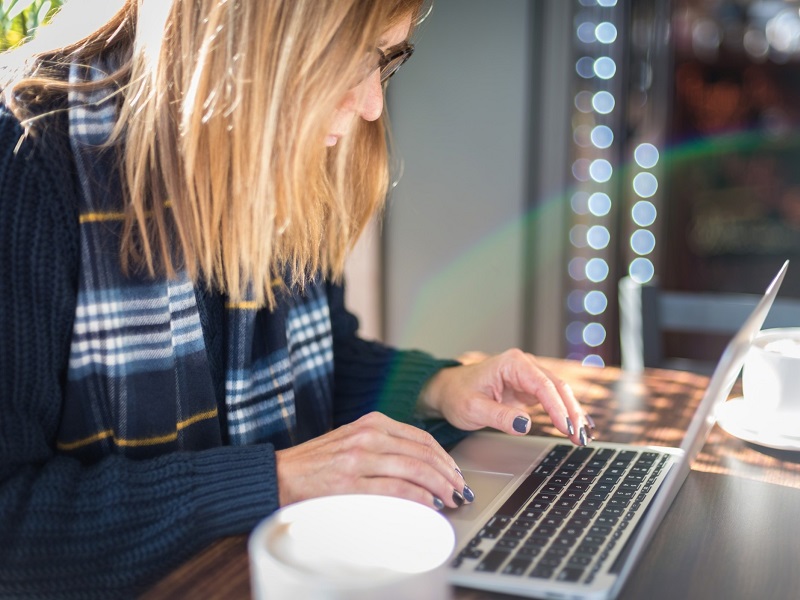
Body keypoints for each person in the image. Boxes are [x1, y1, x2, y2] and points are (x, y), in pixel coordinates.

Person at [0, 0, 593, 597]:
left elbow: (318, 363)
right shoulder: (29, 155)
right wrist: (277, 479)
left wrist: (439, 387)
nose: (373, 104)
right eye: (355, 58)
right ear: (254, 36)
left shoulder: (274, 154)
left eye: (388, 60)